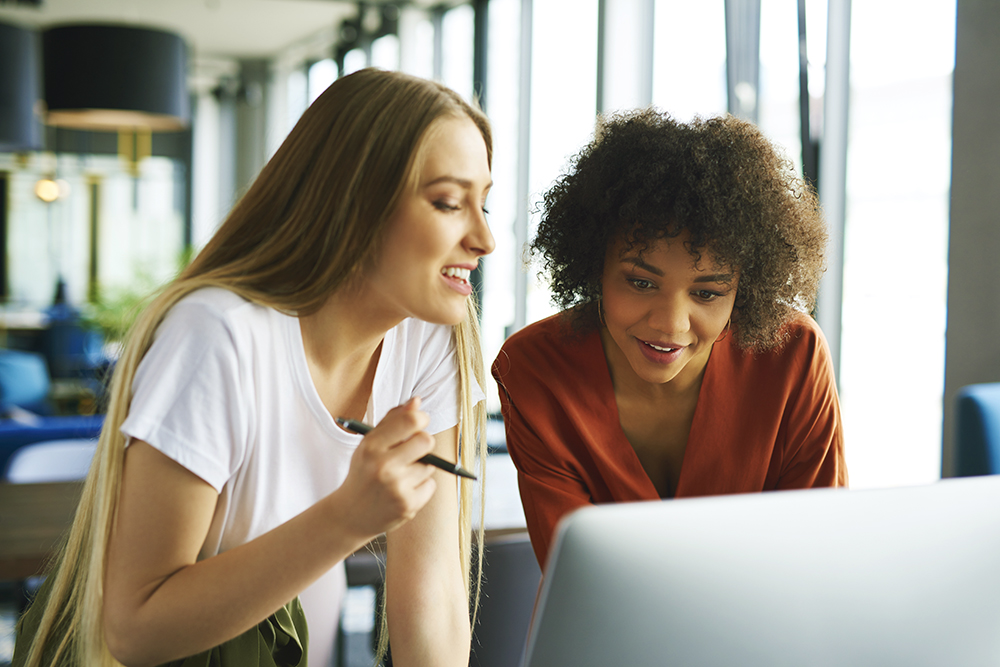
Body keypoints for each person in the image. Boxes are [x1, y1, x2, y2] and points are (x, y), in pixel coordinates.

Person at [14, 68, 495, 667]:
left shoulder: (430, 332)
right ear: (354, 202)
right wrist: (347, 518)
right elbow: (134, 631)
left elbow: (435, 597)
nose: (484, 238)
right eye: (449, 203)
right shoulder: (219, 334)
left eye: (484, 201)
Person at [492, 109, 848, 568]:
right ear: (594, 263)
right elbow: (577, 576)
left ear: (745, 288)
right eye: (641, 283)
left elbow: (818, 553)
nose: (670, 324)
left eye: (707, 293)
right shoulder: (535, 369)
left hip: (767, 636)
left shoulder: (792, 356)